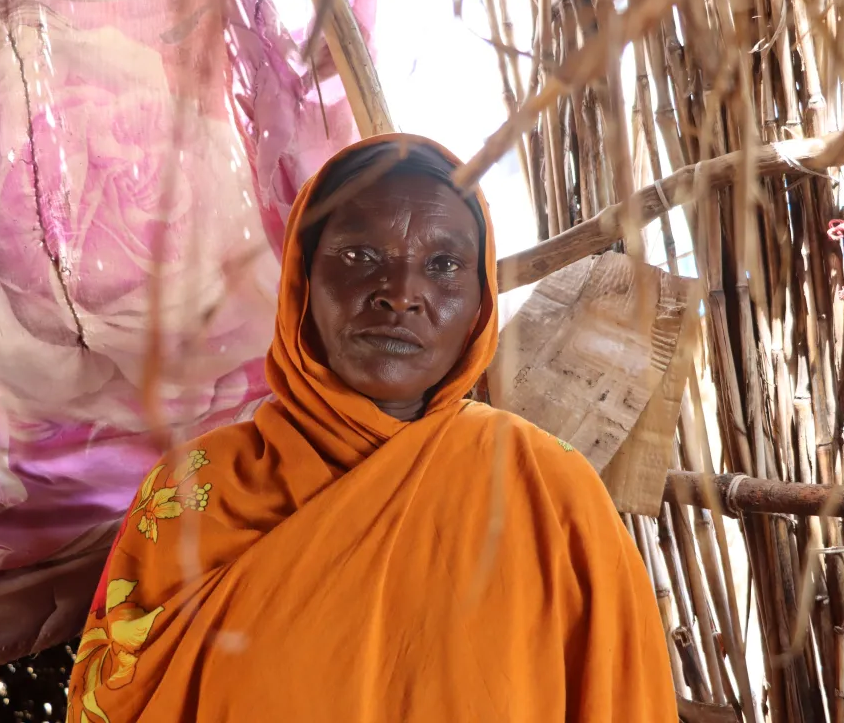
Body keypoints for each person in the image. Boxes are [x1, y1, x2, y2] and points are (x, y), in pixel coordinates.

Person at [65, 134, 677, 722]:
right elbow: (120, 701)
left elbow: (625, 700)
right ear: (304, 279)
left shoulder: (549, 493)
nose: (400, 293)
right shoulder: (198, 494)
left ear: (479, 303)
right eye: (359, 256)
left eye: (443, 265)